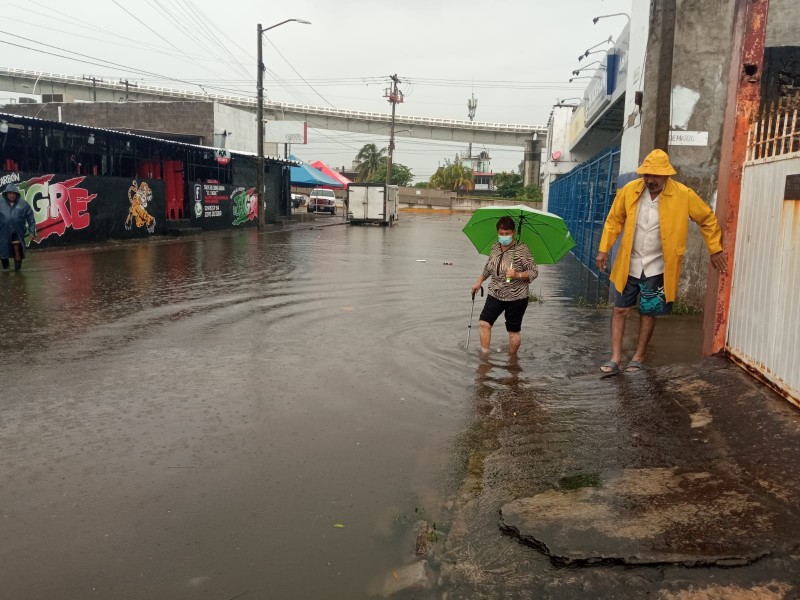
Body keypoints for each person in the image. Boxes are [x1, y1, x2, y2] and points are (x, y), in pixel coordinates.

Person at [595, 149, 727, 374]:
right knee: (619, 310)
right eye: (647, 174)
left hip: (658, 265)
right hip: (630, 262)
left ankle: (639, 355)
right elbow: (613, 220)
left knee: (649, 311)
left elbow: (707, 218)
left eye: (655, 175)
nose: (650, 180)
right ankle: (615, 357)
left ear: (667, 175)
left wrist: (715, 249)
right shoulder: (630, 191)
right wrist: (603, 249)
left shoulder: (683, 195)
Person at [470, 216, 538, 355]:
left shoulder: (522, 249)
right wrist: (479, 281)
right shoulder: (495, 247)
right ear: (497, 232)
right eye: (501, 233)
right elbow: (489, 267)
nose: (504, 236)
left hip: (516, 297)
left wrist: (517, 274)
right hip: (495, 293)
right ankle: (484, 357)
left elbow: (534, 272)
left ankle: (512, 361)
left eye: (507, 234)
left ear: (513, 232)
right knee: (484, 323)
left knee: (513, 332)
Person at [0, 183, 37, 272]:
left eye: (14, 193)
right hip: (3, 232)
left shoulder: (23, 204)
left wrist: (32, 232)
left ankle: (18, 271)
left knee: (18, 251)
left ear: (17, 193)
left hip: (18, 233)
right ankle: (6, 269)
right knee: (3, 251)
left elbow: (31, 218)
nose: (12, 195)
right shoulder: (0, 202)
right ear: (6, 193)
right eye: (10, 193)